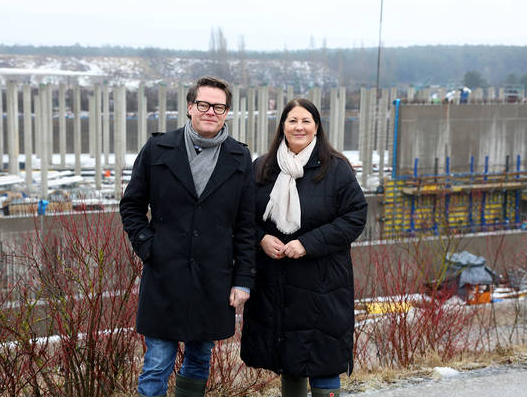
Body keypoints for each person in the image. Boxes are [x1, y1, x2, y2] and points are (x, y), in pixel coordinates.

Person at [120, 77, 256, 397]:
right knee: (157, 362)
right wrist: (148, 247)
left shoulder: (239, 158)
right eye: (203, 104)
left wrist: (243, 280)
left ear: (227, 112)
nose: (211, 112)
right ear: (190, 107)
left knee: (199, 359)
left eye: (219, 107)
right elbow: (131, 205)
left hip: (213, 277)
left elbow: (247, 226)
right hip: (164, 274)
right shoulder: (158, 149)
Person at [240, 98, 368, 397]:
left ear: (317, 127)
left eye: (306, 121)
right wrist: (261, 238)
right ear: (282, 126)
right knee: (289, 357)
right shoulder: (263, 167)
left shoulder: (336, 168)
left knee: (324, 357)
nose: (299, 127)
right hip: (275, 281)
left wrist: (307, 244)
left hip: (323, 281)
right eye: (293, 120)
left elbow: (355, 217)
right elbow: (242, 216)